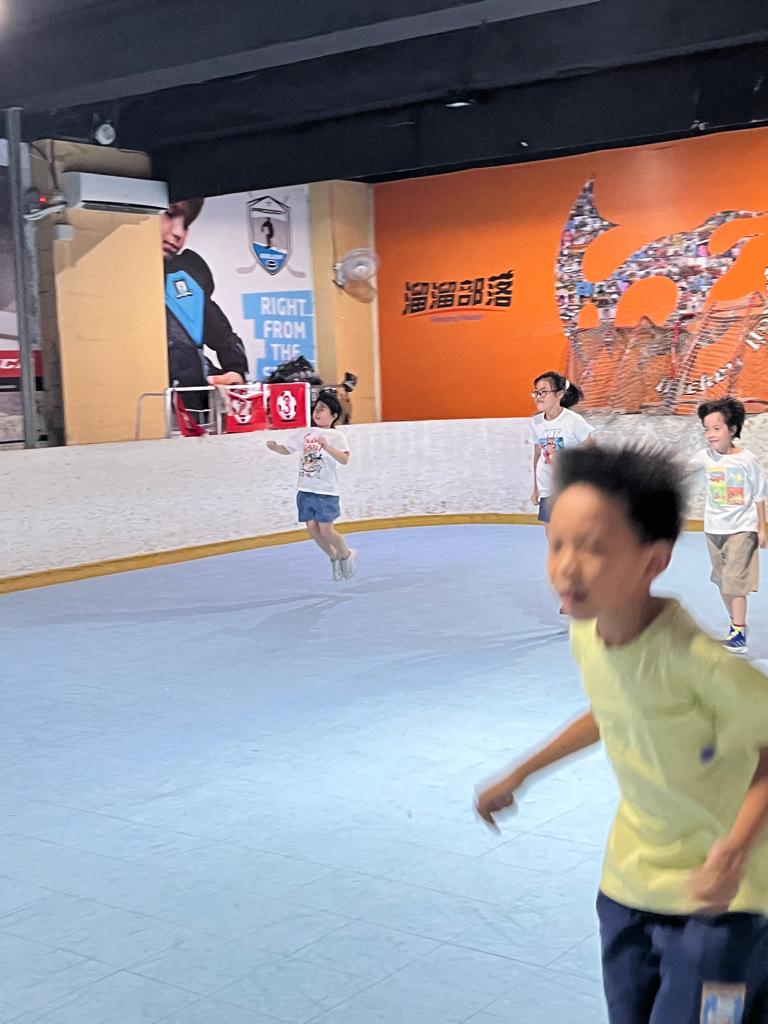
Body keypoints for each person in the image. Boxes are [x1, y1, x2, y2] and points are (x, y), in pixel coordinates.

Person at [476, 445, 768, 1024]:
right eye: (557, 544)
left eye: (592, 548)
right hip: (629, 885)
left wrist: (734, 852)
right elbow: (612, 709)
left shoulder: (702, 665)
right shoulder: (588, 635)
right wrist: (521, 773)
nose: (566, 566)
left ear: (652, 561)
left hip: (724, 903)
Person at [689, 398, 767, 655]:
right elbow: (682, 472)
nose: (710, 434)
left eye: (716, 428)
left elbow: (759, 494)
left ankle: (739, 634)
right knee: (723, 581)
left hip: (742, 528)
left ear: (732, 430)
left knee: (735, 581)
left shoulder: (746, 460)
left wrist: (762, 527)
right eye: (706, 429)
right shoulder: (704, 457)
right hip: (714, 529)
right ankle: (735, 626)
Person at [161, 200, 248, 409]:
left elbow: (225, 339)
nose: (179, 233)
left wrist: (234, 373)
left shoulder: (188, 275)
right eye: (170, 213)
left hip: (193, 410)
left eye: (187, 224)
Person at [266, 391, 357, 581]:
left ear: (333, 415)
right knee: (313, 530)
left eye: (323, 409)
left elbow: (344, 459)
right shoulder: (305, 432)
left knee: (326, 530)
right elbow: (287, 449)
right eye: (316, 408)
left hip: (326, 491)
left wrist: (327, 447)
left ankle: (346, 554)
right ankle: (333, 557)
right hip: (305, 490)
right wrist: (276, 447)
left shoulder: (336, 435)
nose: (317, 412)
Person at [530, 371, 595, 527]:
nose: (538, 396)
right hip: (547, 489)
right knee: (551, 535)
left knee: (571, 533)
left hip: (569, 488)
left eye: (544, 392)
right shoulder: (536, 422)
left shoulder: (573, 421)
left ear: (559, 394)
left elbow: (593, 451)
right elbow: (538, 455)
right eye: (536, 392)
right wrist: (536, 488)